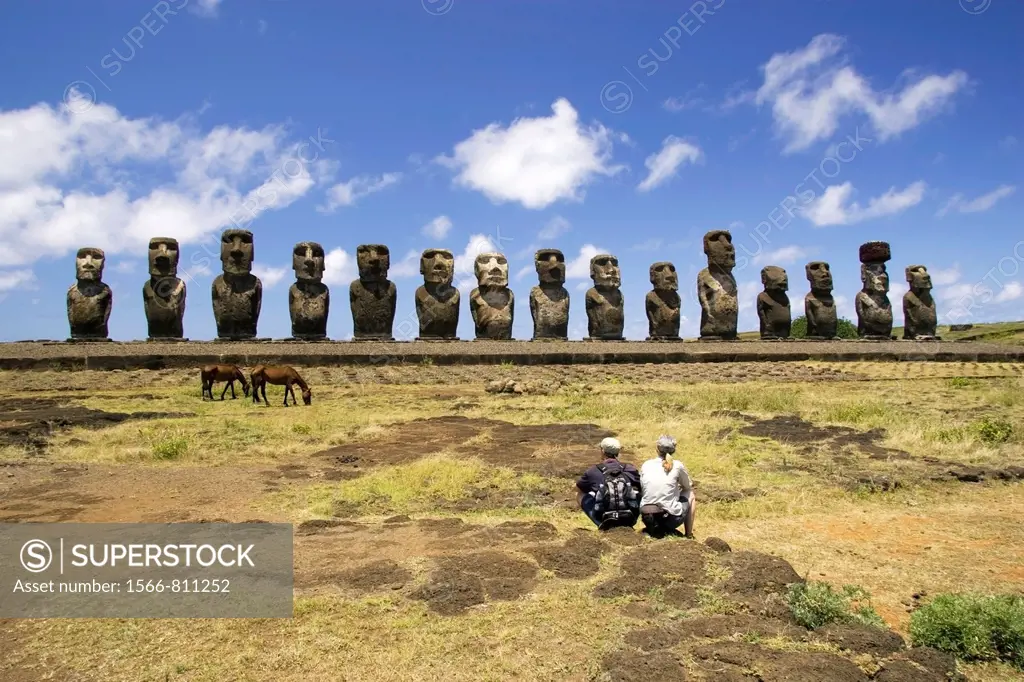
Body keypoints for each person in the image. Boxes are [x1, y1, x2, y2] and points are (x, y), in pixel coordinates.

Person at [575, 437, 641, 530]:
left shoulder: (593, 471)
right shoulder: (630, 468)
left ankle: (600, 523)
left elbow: (578, 489)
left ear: (602, 451)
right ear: (618, 451)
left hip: (605, 517)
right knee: (640, 493)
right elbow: (642, 487)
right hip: (629, 517)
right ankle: (630, 521)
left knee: (580, 494)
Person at [639, 435, 696, 538]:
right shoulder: (677, 465)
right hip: (669, 520)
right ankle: (689, 534)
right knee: (690, 494)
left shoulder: (646, 464)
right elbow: (688, 486)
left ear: (657, 448)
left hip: (647, 517)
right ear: (674, 450)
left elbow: (643, 488)